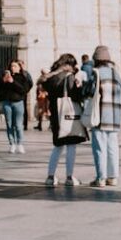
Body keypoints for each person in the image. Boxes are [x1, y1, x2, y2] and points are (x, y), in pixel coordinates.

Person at [39, 53, 84, 186]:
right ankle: (69, 177)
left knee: (58, 146)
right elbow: (75, 96)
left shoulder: (50, 78)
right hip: (68, 115)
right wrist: (79, 86)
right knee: (71, 145)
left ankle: (50, 176)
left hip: (55, 115)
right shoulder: (69, 77)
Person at [82, 45, 121, 187]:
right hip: (114, 116)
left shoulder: (96, 73)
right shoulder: (116, 73)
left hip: (100, 114)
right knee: (113, 147)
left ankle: (101, 177)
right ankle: (113, 177)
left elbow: (89, 91)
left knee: (100, 147)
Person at [0, 60, 32, 154]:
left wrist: (13, 82)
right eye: (12, 66)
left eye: (15, 66)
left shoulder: (23, 77)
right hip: (7, 103)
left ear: (19, 67)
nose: (13, 68)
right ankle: (12, 144)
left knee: (18, 125)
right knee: (9, 124)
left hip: (18, 102)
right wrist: (3, 80)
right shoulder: (5, 76)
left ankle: (20, 144)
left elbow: (23, 90)